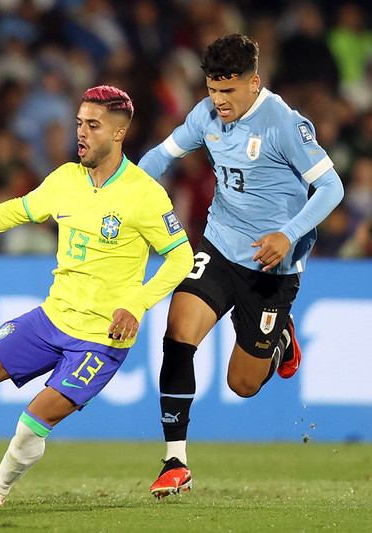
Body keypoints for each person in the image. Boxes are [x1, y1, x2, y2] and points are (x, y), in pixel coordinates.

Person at [0, 85, 195, 507]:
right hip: (51, 319)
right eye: (79, 124)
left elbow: (181, 256)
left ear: (119, 133)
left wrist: (138, 302)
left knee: (32, 422)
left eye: (93, 125)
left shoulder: (144, 193)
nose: (81, 134)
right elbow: (14, 211)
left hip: (101, 339)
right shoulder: (66, 179)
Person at [137, 34, 344, 498]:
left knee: (243, 384)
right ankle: (176, 461)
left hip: (273, 266)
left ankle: (280, 336)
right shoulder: (205, 114)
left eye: (228, 91)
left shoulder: (285, 125)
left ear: (254, 82)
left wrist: (288, 234)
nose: (219, 101)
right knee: (178, 332)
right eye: (212, 89)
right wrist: (115, 194)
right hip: (219, 245)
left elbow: (332, 189)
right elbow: (160, 158)